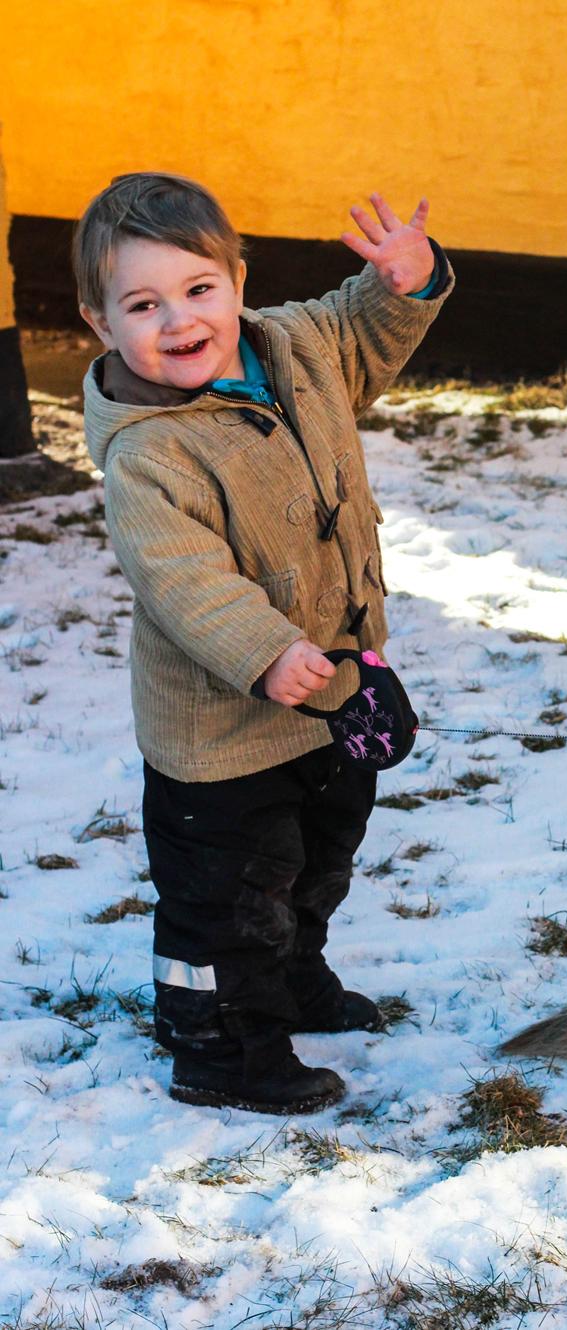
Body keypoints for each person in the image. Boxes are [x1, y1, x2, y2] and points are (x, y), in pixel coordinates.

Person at [75, 172, 452, 1114]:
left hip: (334, 696)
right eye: (143, 304)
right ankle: (221, 1045)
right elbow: (186, 582)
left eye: (199, 289)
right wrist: (266, 651)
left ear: (237, 280)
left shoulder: (297, 347)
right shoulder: (148, 455)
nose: (179, 319)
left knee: (318, 863)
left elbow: (363, 327)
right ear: (99, 323)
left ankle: (286, 982)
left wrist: (406, 280)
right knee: (227, 902)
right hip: (224, 736)